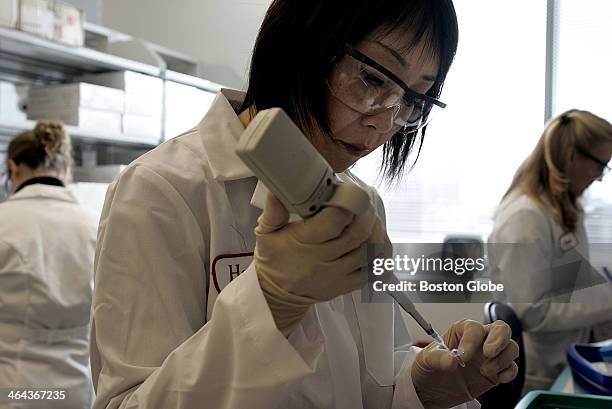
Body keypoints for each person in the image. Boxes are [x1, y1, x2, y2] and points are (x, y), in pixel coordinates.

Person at [91, 1, 518, 408]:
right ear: (301, 41)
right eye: (372, 79)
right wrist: (272, 303)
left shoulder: (361, 202)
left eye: (413, 100)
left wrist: (424, 387)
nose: (386, 123)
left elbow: (369, 385)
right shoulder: (162, 190)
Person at [488, 109, 612, 392]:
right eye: (600, 165)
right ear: (572, 156)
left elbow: (566, 283)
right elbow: (533, 311)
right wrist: (607, 303)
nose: (601, 177)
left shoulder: (563, 209)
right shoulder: (525, 217)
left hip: (566, 355)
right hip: (540, 371)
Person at [0, 121, 98, 408]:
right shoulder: (97, 224)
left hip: (15, 388)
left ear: (13, 168)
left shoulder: (3, 223)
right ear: (66, 171)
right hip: (80, 388)